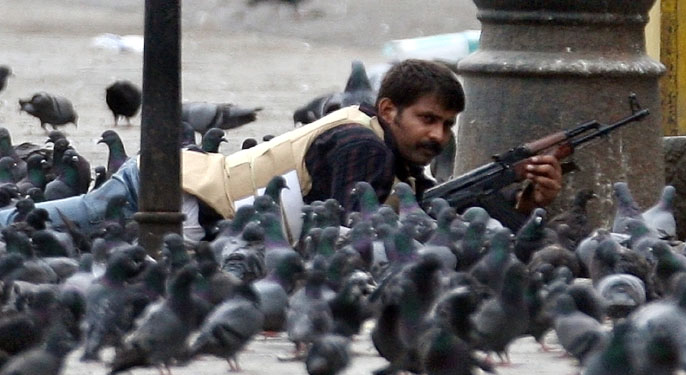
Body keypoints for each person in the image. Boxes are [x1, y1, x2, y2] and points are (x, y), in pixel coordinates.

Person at [0, 59, 562, 241]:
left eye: (447, 125)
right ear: (388, 110)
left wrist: (524, 204)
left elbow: (435, 209)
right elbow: (345, 233)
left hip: (182, 190)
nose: (439, 136)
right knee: (29, 225)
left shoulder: (382, 146)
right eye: (428, 119)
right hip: (171, 192)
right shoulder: (363, 149)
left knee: (35, 227)